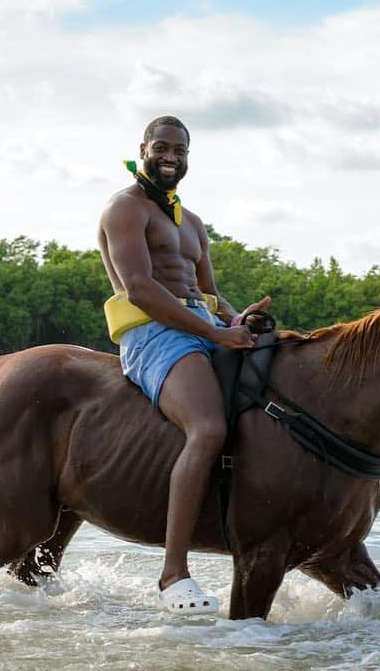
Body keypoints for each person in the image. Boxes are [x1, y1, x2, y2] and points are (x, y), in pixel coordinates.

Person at [97, 115, 270, 614]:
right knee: (209, 427)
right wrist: (215, 334)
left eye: (182, 150)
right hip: (152, 332)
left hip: (199, 324)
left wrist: (241, 319)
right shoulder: (124, 209)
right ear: (144, 149)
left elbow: (210, 295)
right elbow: (141, 289)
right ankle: (174, 575)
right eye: (163, 147)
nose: (172, 156)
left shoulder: (192, 221)